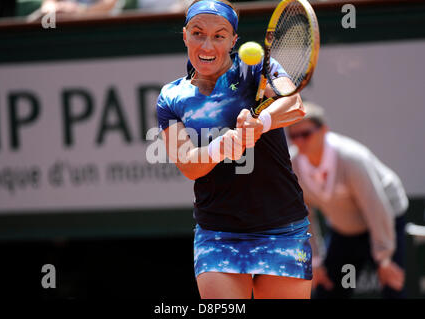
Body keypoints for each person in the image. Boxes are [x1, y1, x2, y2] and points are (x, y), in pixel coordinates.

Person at [156, 0, 312, 299]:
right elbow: (188, 165)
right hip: (218, 234)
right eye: (198, 33)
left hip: (282, 226)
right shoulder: (172, 97)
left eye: (219, 35)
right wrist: (219, 148)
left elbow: (294, 104)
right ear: (185, 35)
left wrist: (261, 121)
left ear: (233, 41)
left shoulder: (257, 67)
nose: (207, 44)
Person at [287, 102, 409, 298]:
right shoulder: (293, 165)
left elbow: (375, 206)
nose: (299, 141)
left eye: (306, 134)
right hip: (345, 228)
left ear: (323, 130)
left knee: (392, 285)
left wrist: (384, 258)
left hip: (385, 219)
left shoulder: (351, 158)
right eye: (293, 136)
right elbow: (302, 216)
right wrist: (314, 261)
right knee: (328, 289)